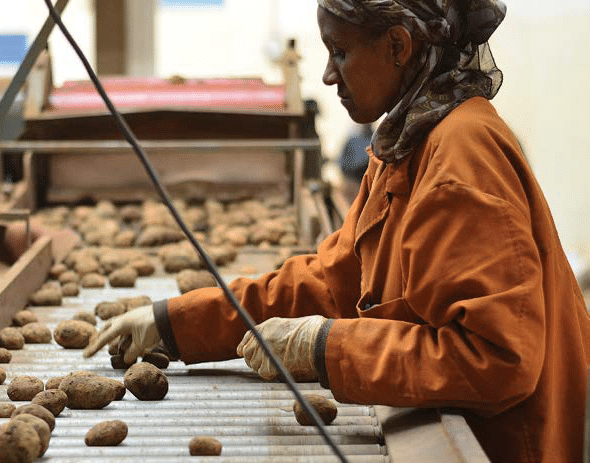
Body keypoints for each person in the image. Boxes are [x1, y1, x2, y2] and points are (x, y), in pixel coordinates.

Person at [83, 1, 590, 462]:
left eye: (340, 52)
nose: (328, 76)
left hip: (494, 447)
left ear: (398, 46)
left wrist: (326, 347)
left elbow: (498, 360)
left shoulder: (461, 152)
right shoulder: (408, 139)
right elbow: (330, 282)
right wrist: (174, 323)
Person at [338, 123, 373, 202]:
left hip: (372, 182)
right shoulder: (352, 141)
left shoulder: (377, 140)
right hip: (353, 181)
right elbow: (343, 164)